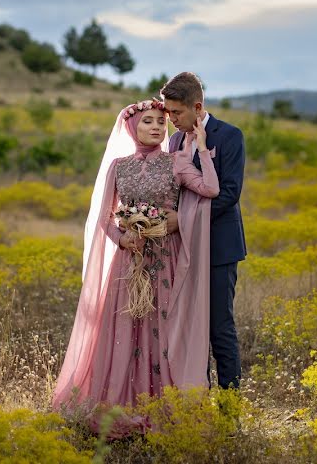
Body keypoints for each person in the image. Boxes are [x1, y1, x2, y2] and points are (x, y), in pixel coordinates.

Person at [52, 98, 219, 417]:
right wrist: (122, 238)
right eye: (148, 121)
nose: (156, 127)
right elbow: (103, 217)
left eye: (161, 122)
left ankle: (161, 408)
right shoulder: (119, 166)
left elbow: (210, 189)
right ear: (132, 127)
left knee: (164, 328)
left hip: (166, 259)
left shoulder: (177, 162)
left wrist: (202, 146)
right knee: (125, 327)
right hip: (129, 262)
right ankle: (119, 405)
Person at [161, 72, 246, 390]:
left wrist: (181, 220)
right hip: (182, 250)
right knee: (187, 330)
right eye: (167, 113)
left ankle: (228, 412)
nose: (170, 120)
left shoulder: (229, 136)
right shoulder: (172, 142)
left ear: (197, 107)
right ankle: (196, 408)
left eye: (177, 113)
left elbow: (229, 194)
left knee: (218, 328)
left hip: (219, 249)